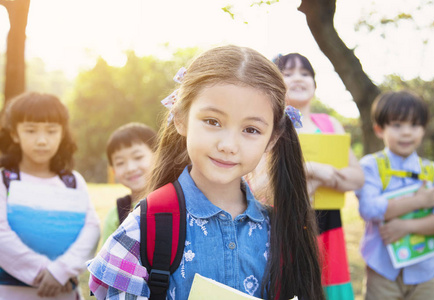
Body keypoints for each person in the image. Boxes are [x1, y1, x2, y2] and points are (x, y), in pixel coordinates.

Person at [87, 45, 324, 300]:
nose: (228, 145)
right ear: (180, 118)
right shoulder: (146, 226)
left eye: (251, 129)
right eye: (213, 121)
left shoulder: (280, 230)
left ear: (272, 139)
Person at [248, 53, 364, 300]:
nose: (298, 79)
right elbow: (255, 186)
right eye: (288, 74)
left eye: (305, 73)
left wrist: (322, 172)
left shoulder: (330, 123)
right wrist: (305, 172)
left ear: (314, 82)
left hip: (328, 227)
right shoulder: (267, 126)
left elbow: (357, 178)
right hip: (281, 226)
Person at [0, 92, 101, 299]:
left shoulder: (72, 181)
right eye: (31, 131)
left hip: (65, 293)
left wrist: (61, 272)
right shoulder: (4, 180)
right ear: (14, 134)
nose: (42, 140)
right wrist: (44, 272)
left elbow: (91, 229)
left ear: (62, 134)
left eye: (51, 131)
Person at [355, 90, 434, 300]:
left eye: (414, 125)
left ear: (423, 129)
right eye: (397, 125)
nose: (407, 132)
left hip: (424, 273)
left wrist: (406, 227)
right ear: (379, 129)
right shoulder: (371, 166)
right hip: (382, 270)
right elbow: (368, 209)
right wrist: (417, 201)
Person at [102, 122, 157, 245]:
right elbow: (104, 261)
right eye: (120, 162)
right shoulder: (115, 215)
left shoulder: (179, 202)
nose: (130, 168)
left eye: (138, 157)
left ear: (159, 156)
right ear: (113, 171)